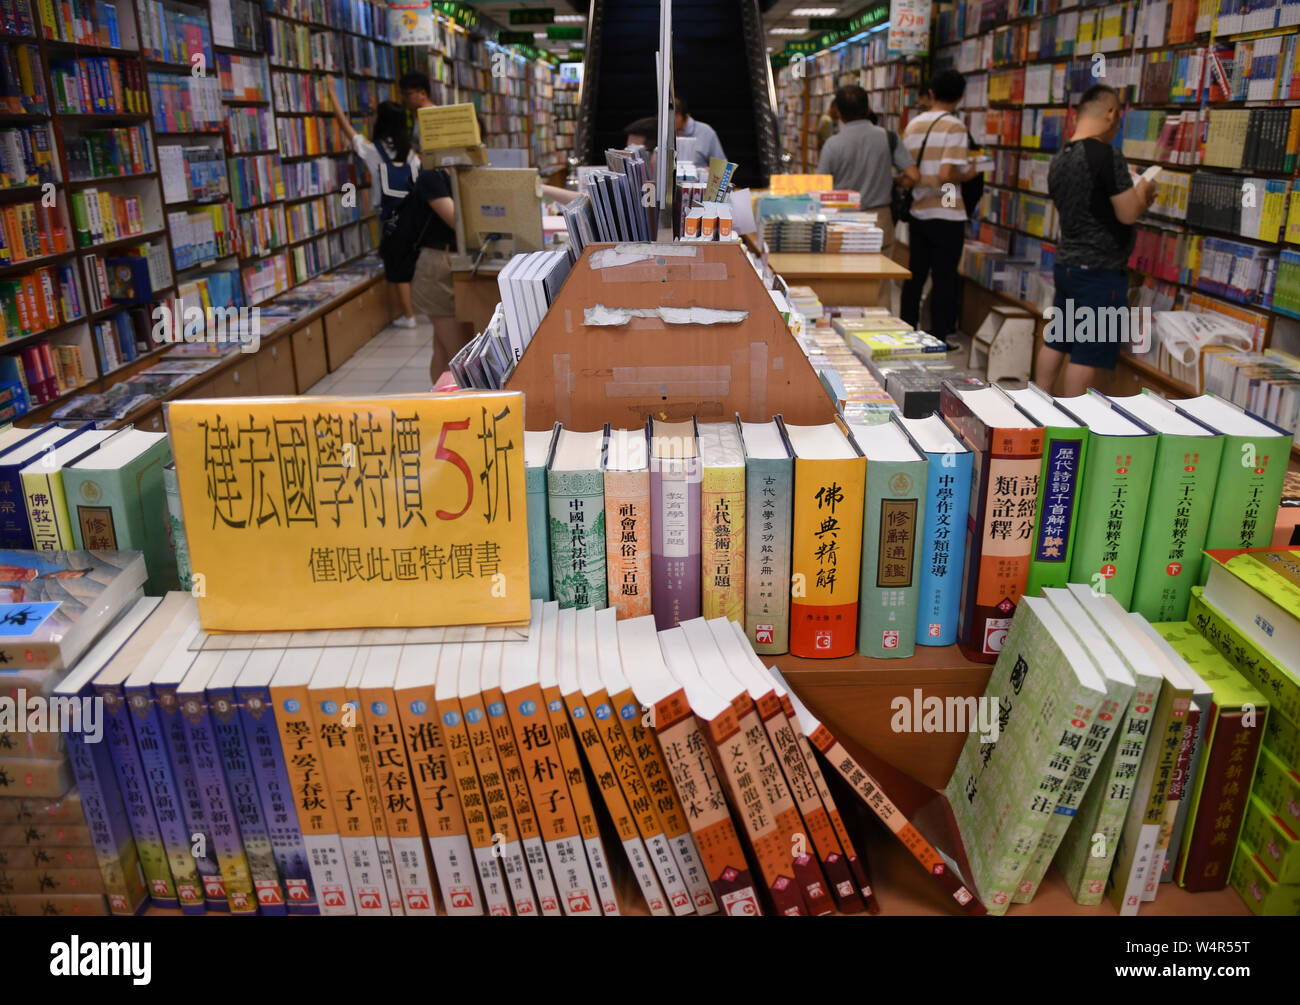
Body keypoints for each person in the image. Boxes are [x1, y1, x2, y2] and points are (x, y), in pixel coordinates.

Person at [1036, 84, 1156, 396]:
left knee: (1058, 338)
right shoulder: (1106, 156)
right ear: (1111, 113)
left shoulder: (1060, 158)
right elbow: (1128, 213)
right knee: (1088, 351)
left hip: (1068, 265)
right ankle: (1076, 420)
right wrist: (1143, 194)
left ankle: (1039, 402)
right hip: (1101, 270)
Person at [326, 85, 423, 327]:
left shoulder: (373, 150)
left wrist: (331, 93)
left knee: (396, 264)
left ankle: (409, 316)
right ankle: (414, 310)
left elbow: (348, 130)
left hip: (390, 215)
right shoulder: (410, 153)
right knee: (410, 261)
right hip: (413, 213)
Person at [900, 69, 978, 340]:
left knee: (916, 275)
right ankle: (938, 337)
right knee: (944, 279)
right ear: (959, 98)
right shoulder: (955, 127)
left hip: (919, 209)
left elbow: (907, 172)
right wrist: (967, 174)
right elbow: (947, 175)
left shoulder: (914, 125)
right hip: (946, 212)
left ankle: (907, 331)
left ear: (931, 93)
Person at [816, 85, 918, 253]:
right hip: (879, 221)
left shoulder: (832, 145)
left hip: (841, 221)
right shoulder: (888, 137)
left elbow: (819, 187)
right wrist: (894, 181)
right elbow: (914, 176)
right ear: (868, 109)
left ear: (839, 114)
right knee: (879, 276)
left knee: (843, 276)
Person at [675, 99, 725, 169]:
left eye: (675, 116)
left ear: (686, 115)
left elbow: (721, 166)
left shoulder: (706, 131)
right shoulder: (663, 132)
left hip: (699, 178)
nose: (670, 120)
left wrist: (708, 171)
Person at [399, 71, 434, 153]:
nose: (403, 99)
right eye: (402, 94)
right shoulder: (419, 117)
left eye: (407, 94)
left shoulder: (432, 117)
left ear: (423, 94)